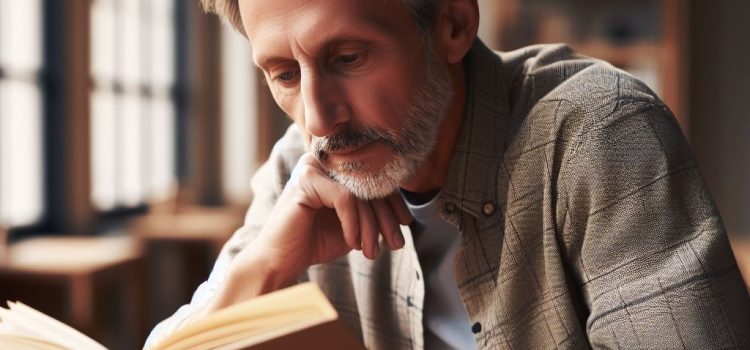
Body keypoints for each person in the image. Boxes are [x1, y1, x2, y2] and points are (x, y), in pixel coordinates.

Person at [146, 0, 750, 348]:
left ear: (454, 24)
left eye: (347, 58)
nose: (318, 118)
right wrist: (263, 266)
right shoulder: (296, 171)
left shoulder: (599, 135)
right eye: (283, 74)